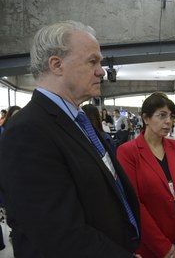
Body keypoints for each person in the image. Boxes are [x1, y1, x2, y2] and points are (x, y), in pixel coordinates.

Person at [0, 21, 141, 257]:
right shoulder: (27, 131)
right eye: (92, 61)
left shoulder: (78, 119)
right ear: (57, 65)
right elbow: (58, 234)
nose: (101, 71)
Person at [117, 92, 175, 258]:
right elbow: (134, 203)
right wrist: (164, 248)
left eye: (171, 116)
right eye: (162, 115)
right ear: (146, 118)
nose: (168, 121)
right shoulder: (128, 152)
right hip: (152, 245)